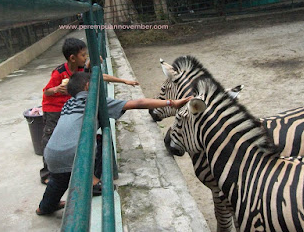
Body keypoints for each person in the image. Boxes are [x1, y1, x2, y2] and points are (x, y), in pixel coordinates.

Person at [36, 72, 193, 215]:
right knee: (99, 140)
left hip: (51, 154)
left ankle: (45, 207)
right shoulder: (94, 102)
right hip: (74, 155)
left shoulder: (68, 104)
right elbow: (139, 103)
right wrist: (171, 103)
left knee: (58, 180)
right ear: (89, 86)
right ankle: (93, 182)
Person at [40, 38, 138, 185]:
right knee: (51, 137)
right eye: (83, 55)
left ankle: (70, 167)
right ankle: (47, 173)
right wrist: (56, 89)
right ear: (73, 58)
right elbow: (46, 91)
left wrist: (124, 81)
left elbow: (99, 76)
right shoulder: (59, 72)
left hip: (69, 108)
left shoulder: (80, 71)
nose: (86, 58)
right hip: (53, 108)